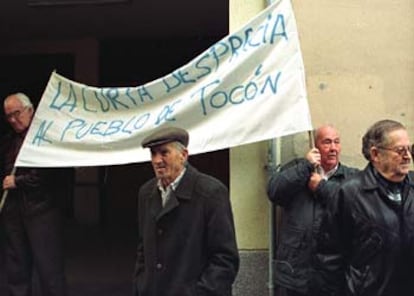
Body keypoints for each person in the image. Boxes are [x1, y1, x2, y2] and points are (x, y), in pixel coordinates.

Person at [133, 126, 239, 296]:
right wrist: (141, 284)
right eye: (153, 154)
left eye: (164, 153)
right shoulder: (146, 193)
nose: (157, 160)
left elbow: (225, 258)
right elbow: (143, 248)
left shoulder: (210, 193)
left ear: (183, 155)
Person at [319, 119, 414, 296]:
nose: (408, 156)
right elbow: (330, 257)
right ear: (376, 154)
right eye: (400, 151)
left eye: (409, 149)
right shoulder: (350, 193)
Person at [267, 124, 358, 296]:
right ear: (315, 146)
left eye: (336, 142)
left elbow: (356, 207)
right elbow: (274, 191)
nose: (333, 148)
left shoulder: (352, 177)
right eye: (327, 142)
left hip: (334, 277)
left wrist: (321, 187)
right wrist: (305, 167)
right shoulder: (297, 170)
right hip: (295, 275)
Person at [0, 93, 67, 296]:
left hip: (41, 210)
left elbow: (49, 175)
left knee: (49, 268)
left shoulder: (44, 139)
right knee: (16, 266)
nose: (13, 119)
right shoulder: (9, 140)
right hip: (13, 210)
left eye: (17, 113)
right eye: (8, 116)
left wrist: (17, 181)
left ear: (31, 110)